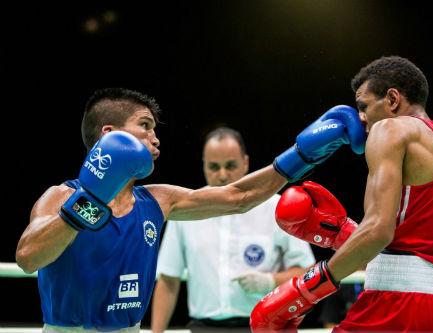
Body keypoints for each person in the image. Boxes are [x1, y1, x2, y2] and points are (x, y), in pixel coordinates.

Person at [15, 87, 365, 333]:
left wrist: (303, 154)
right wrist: (87, 204)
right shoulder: (61, 196)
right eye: (145, 125)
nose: (156, 139)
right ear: (110, 134)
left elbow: (238, 196)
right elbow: (28, 258)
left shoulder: (158, 200)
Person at [250, 55, 433, 332]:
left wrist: (306, 289)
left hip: (399, 305)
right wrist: (345, 233)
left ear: (393, 99)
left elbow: (379, 231)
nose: (360, 120)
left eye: (363, 106)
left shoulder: (391, 129)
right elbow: (427, 237)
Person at [150, 127, 316, 333]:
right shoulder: (184, 212)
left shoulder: (277, 208)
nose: (222, 175)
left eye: (230, 165)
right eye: (214, 167)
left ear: (245, 162)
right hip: (203, 327)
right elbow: (168, 279)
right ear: (204, 166)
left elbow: (308, 273)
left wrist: (270, 282)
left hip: (266, 324)